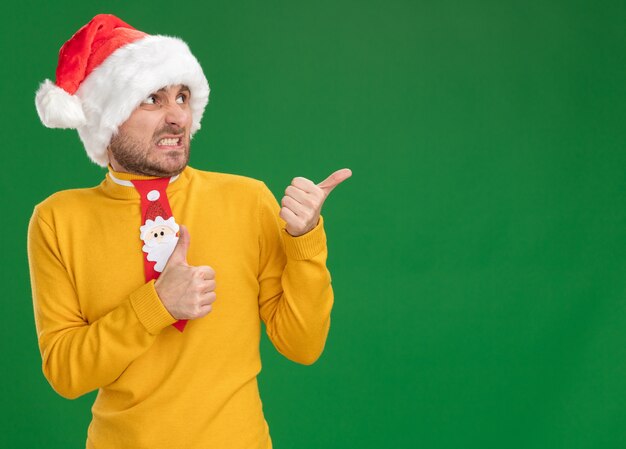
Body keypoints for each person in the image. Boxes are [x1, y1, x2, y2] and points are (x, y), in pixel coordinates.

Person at [28, 14, 351, 449]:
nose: (178, 116)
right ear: (107, 119)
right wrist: (156, 304)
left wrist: (304, 240)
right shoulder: (56, 220)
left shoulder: (248, 200)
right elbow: (66, 374)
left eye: (182, 97)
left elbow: (302, 345)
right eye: (151, 100)